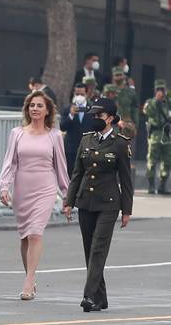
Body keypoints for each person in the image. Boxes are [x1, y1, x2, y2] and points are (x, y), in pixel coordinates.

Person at [63, 98, 133, 312]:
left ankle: (89, 296)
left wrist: (127, 210)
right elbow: (77, 174)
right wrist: (69, 201)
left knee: (98, 250)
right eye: (93, 115)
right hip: (86, 202)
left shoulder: (120, 144)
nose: (95, 119)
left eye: (99, 116)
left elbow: (126, 179)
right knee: (89, 250)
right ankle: (101, 298)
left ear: (110, 118)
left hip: (109, 203)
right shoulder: (86, 140)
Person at [0, 91, 69, 300]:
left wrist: (67, 195)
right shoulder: (17, 133)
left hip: (45, 188)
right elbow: (9, 162)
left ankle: (29, 280)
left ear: (48, 111)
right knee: (25, 237)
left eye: (39, 106)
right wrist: (4, 187)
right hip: (22, 189)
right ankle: (30, 274)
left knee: (35, 233)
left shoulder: (54, 135)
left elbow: (61, 167)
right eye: (32, 105)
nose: (35, 109)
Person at [143, 79, 171, 194]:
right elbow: (148, 112)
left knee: (167, 161)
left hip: (166, 135)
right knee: (152, 161)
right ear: (155, 90)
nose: (161, 92)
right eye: (158, 89)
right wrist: (156, 101)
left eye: (162, 89)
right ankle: (151, 185)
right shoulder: (150, 102)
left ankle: (162, 185)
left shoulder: (169, 103)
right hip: (155, 135)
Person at [60, 83, 94, 176]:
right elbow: (62, 126)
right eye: (77, 94)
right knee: (70, 176)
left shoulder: (92, 109)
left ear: (86, 94)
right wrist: (71, 115)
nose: (79, 97)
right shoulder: (67, 109)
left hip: (87, 148)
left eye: (82, 94)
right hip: (71, 149)